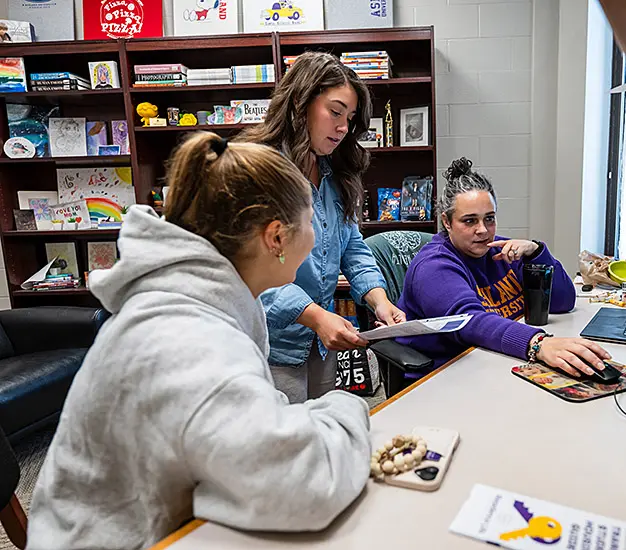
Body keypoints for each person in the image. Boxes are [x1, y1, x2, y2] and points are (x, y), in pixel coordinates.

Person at [26, 133, 371, 548]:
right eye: (312, 223)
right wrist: (346, 407)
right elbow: (306, 486)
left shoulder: (198, 301)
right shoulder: (191, 340)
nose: (316, 238)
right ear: (277, 237)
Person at [237, 52, 405, 403]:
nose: (343, 127)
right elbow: (249, 269)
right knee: (283, 432)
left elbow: (352, 245)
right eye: (335, 112)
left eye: (350, 118)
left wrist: (379, 300)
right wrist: (314, 316)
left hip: (319, 343)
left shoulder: (333, 172)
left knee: (317, 425)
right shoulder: (259, 169)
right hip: (273, 345)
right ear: (301, 103)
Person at [397, 157, 611, 378]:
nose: (483, 230)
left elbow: (562, 302)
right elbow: (468, 322)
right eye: (470, 221)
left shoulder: (503, 250)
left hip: (497, 359)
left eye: (489, 219)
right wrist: (538, 343)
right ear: (447, 222)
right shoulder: (433, 267)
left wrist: (536, 252)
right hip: (447, 374)